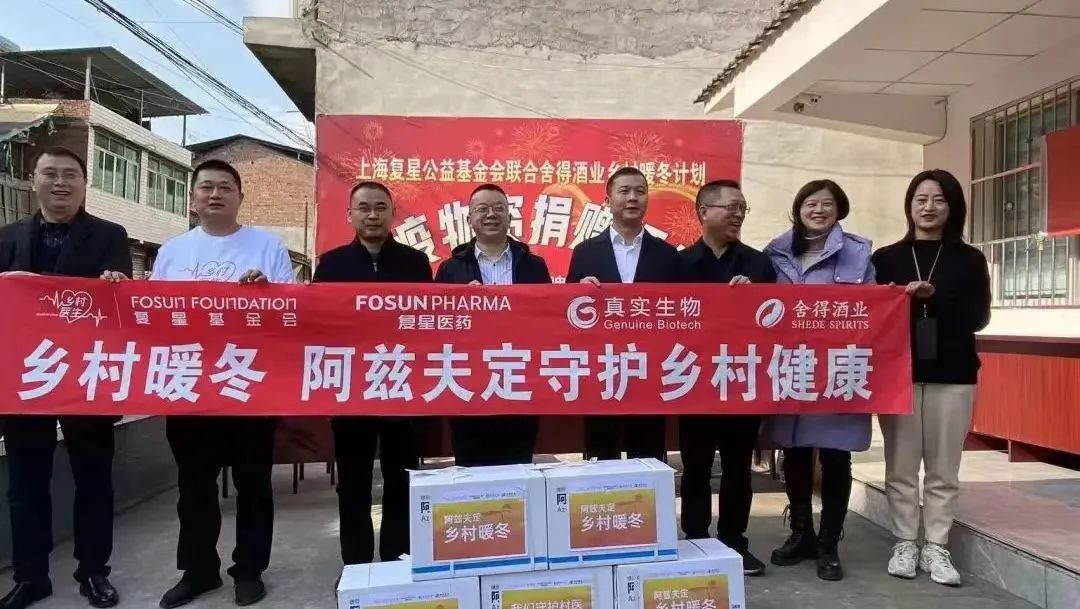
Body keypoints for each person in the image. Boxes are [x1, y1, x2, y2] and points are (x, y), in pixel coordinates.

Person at [150, 159, 295, 609]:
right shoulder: (172, 252)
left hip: (249, 383)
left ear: (240, 197)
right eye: (207, 187)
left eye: (225, 187)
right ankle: (198, 571)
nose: (215, 194)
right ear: (192, 199)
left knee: (254, 484)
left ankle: (249, 570)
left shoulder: (267, 246)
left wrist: (267, 293)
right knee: (195, 486)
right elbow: (151, 317)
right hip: (190, 384)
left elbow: (291, 314)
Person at [0, 147, 130, 609]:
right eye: (50, 174)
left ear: (84, 184)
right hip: (26, 377)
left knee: (93, 480)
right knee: (24, 484)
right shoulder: (7, 237)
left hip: (86, 375)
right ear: (32, 179)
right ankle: (31, 576)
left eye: (70, 175)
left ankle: (93, 571)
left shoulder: (110, 235)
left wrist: (116, 283)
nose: (60, 182)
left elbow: (121, 306)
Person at [872, 169, 991, 587]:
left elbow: (979, 317)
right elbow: (869, 316)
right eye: (920, 199)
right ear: (909, 205)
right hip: (899, 377)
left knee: (943, 470)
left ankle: (937, 546)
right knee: (901, 467)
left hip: (953, 375)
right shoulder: (885, 258)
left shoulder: (970, 259)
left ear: (953, 206)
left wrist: (934, 297)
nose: (928, 207)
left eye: (938, 199)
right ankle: (905, 542)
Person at [312, 181, 432, 565]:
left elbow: (429, 323)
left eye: (380, 207)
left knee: (402, 480)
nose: (372, 215)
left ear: (392, 213)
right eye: (364, 208)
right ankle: (357, 565)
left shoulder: (415, 263)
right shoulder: (331, 265)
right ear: (350, 215)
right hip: (351, 391)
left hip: (402, 385)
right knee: (353, 483)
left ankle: (398, 561)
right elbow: (318, 324)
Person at [763, 179, 875, 582]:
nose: (819, 210)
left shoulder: (859, 254)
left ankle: (829, 543)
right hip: (790, 365)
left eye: (827, 204)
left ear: (839, 210)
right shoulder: (776, 253)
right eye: (811, 203)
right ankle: (801, 534)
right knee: (793, 452)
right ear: (798, 208)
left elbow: (874, 307)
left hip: (837, 368)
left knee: (835, 455)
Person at [678, 180, 775, 576]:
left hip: (741, 378)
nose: (738, 215)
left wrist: (755, 298)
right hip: (693, 380)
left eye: (742, 209)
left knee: (738, 468)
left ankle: (735, 541)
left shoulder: (758, 264)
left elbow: (775, 322)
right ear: (704, 212)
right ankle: (696, 538)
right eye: (731, 207)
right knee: (696, 466)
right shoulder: (679, 264)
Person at [567, 166, 681, 462]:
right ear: (607, 201)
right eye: (624, 191)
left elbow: (682, 315)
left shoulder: (668, 255)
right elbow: (565, 314)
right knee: (601, 459)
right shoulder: (585, 252)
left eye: (640, 191)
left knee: (648, 458)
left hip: (651, 372)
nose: (633, 198)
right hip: (601, 373)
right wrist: (578, 293)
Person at [435, 184, 552, 466]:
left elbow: (548, 318)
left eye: (499, 208)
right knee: (470, 464)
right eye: (482, 209)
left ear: (509, 216)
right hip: (467, 380)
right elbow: (437, 324)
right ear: (470, 219)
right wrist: (461, 304)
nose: (491, 215)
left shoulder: (534, 266)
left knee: (518, 463)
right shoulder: (450, 269)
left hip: (519, 375)